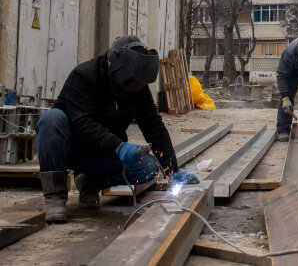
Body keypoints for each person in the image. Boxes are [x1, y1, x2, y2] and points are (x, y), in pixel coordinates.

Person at [36, 35, 199, 223]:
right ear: (111, 63)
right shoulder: (83, 77)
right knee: (51, 119)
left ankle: (91, 182)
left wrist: (172, 170)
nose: (132, 89)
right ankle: (54, 197)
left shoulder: (137, 85)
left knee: (147, 167)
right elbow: (83, 123)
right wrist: (118, 146)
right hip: (72, 148)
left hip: (103, 153)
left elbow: (153, 125)